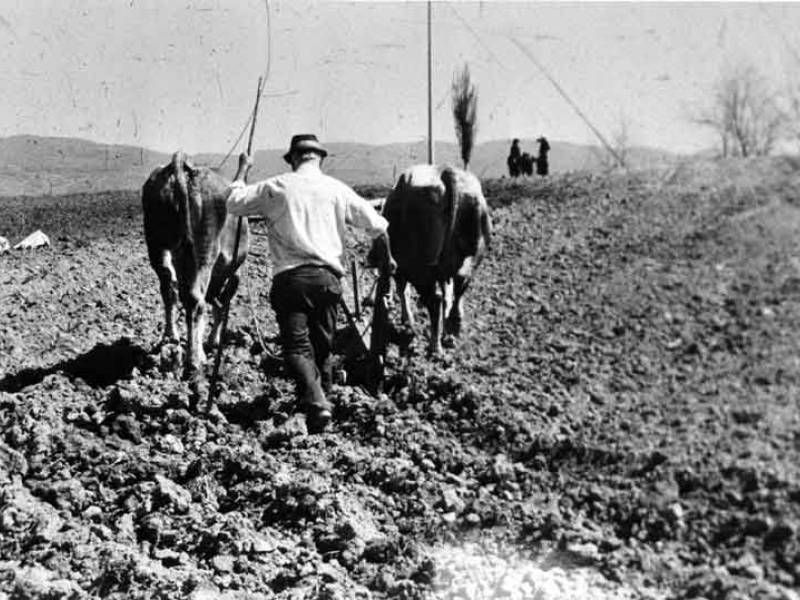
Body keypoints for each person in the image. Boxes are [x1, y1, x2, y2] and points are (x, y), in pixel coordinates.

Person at [226, 134, 394, 433]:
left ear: (292, 159)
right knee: (322, 347)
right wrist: (386, 260)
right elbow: (379, 226)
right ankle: (322, 404)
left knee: (297, 348)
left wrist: (242, 171)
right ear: (320, 159)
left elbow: (233, 203)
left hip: (291, 279)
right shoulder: (336, 189)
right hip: (328, 280)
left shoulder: (276, 186)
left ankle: (317, 403)